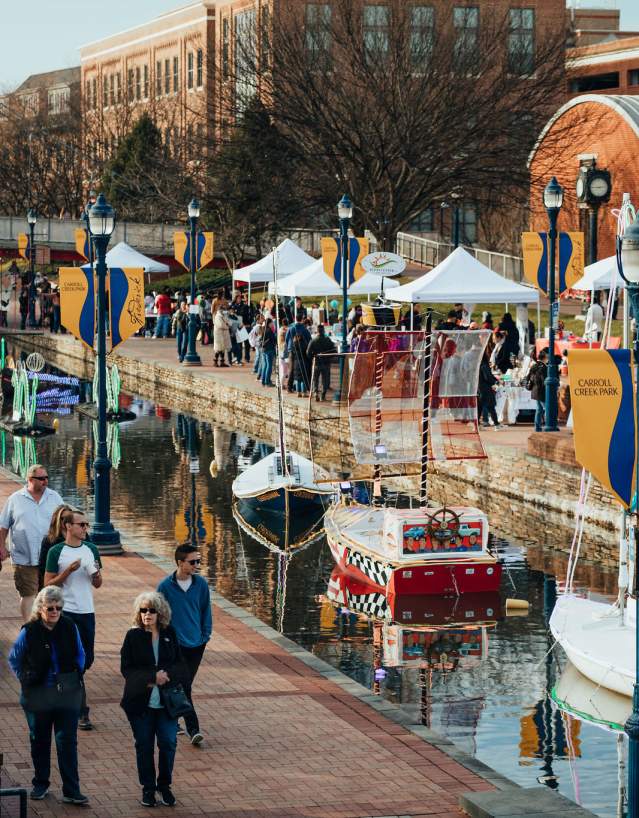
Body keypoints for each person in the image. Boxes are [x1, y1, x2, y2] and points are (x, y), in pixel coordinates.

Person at [8, 586, 88, 805]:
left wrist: (74, 674)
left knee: (67, 742)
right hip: (38, 695)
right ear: (41, 608)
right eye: (50, 607)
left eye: (59, 608)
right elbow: (14, 659)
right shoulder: (30, 630)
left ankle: (72, 790)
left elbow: (81, 654)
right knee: (40, 741)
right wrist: (26, 680)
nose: (55, 611)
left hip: (67, 694)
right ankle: (40, 784)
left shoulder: (69, 626)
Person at [121, 591, 186, 808]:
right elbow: (127, 669)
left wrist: (166, 677)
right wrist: (151, 678)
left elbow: (179, 665)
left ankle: (164, 786)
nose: (147, 614)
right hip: (141, 703)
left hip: (166, 702)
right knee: (145, 746)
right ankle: (148, 788)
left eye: (151, 610)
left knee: (168, 743)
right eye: (143, 610)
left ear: (160, 613)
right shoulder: (132, 636)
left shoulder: (170, 633)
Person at [44, 509, 102, 731]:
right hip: (65, 613)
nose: (85, 528)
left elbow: (98, 583)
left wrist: (95, 576)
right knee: (73, 661)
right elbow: (48, 584)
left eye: (86, 524)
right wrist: (68, 571)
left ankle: (63, 690)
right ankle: (81, 711)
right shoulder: (56, 552)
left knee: (86, 660)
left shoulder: (92, 550)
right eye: (81, 525)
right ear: (68, 526)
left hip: (87, 611)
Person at [157, 545, 212, 747]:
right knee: (185, 686)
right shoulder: (165, 587)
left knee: (181, 685)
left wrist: (205, 635)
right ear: (180, 563)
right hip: (175, 646)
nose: (197, 565)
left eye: (198, 561)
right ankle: (194, 729)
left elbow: (206, 610)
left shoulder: (201, 585)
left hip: (197, 644)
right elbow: (159, 615)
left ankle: (171, 716)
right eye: (192, 562)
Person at [0, 464, 64, 622]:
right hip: (24, 558)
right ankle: (30, 629)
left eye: (47, 478)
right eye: (41, 478)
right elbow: (3, 527)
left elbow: (65, 522)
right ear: (30, 479)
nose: (45, 481)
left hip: (49, 557)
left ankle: (48, 628)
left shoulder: (55, 497)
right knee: (28, 595)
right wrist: (2, 547)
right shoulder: (15, 499)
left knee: (49, 595)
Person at [38, 504, 73, 591]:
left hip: (75, 584)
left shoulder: (81, 536)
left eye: (69, 518)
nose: (66, 521)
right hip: (55, 585)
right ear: (57, 519)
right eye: (63, 518)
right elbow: (43, 567)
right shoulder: (49, 540)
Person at [307, 325, 336, 401]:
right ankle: (323, 395)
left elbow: (308, 353)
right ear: (323, 331)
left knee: (315, 379)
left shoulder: (313, 340)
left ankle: (316, 392)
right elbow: (334, 351)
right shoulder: (328, 340)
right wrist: (329, 357)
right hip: (326, 363)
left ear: (317, 331)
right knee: (325, 380)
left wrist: (313, 357)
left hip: (316, 362)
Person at [285, 313, 312, 393]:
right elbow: (309, 341)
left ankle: (289, 387)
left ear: (295, 318)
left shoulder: (290, 328)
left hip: (291, 350)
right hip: (303, 351)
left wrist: (289, 347)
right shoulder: (305, 330)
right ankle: (306, 387)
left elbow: (287, 339)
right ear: (302, 320)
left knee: (292, 369)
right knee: (304, 369)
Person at [527, 348, 549, 432]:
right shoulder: (543, 367)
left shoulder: (534, 365)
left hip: (535, 391)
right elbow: (544, 380)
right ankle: (548, 425)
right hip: (542, 391)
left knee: (539, 409)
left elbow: (528, 377)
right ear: (545, 358)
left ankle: (537, 427)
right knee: (547, 409)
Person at [478, 351, 500, 428]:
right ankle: (494, 423)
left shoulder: (479, 365)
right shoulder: (485, 365)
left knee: (481, 406)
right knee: (490, 406)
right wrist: (495, 381)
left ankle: (477, 423)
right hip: (486, 388)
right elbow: (488, 377)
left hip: (479, 387)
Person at [260, 317, 277, 386]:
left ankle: (263, 380)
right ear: (269, 323)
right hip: (269, 349)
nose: (273, 324)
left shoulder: (264, 329)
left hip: (264, 349)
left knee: (265, 365)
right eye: (272, 323)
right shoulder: (269, 331)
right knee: (269, 366)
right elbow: (273, 340)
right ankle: (267, 381)